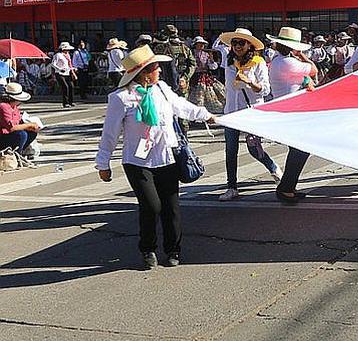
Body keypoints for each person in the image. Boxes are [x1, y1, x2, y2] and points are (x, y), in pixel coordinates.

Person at [95, 45, 214, 269]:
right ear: (143, 72)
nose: (160, 70)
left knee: (171, 207)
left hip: (166, 157)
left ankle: (173, 250)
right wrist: (103, 163)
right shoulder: (121, 98)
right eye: (155, 67)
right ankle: (148, 249)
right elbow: (110, 134)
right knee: (151, 206)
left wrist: (206, 116)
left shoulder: (161, 89)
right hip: (137, 161)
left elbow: (182, 107)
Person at [218, 28, 281, 202]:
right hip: (231, 112)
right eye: (234, 43)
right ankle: (232, 187)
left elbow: (266, 90)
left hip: (251, 112)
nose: (237, 46)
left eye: (241, 43)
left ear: (249, 45)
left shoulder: (258, 62)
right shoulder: (229, 62)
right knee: (231, 151)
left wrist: (250, 83)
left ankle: (273, 167)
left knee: (254, 149)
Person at [266, 26, 319, 203]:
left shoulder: (278, 61)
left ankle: (288, 187)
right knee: (300, 150)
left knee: (298, 150)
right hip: (291, 113)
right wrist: (302, 55)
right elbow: (314, 70)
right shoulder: (288, 63)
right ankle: (286, 188)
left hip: (290, 111)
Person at [0, 82, 40, 161]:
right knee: (21, 134)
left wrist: (29, 126)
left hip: (9, 134)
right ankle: (17, 154)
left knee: (32, 133)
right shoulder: (3, 106)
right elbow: (11, 128)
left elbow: (17, 122)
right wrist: (28, 125)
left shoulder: (14, 107)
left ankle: (18, 151)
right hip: (2, 136)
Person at [187, 36, 224, 115]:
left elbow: (213, 67)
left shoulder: (206, 54)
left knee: (213, 92)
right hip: (194, 77)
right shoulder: (190, 53)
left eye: (203, 44)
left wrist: (211, 59)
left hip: (205, 77)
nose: (201, 46)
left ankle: (204, 113)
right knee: (196, 95)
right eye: (200, 44)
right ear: (195, 44)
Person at [52, 42, 77, 108]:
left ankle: (71, 101)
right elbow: (53, 64)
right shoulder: (58, 55)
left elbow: (69, 64)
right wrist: (59, 69)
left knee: (71, 86)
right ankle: (65, 102)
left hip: (67, 73)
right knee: (65, 87)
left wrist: (73, 70)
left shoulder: (68, 55)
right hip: (60, 73)